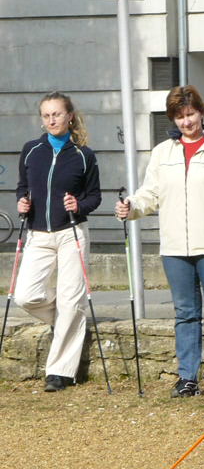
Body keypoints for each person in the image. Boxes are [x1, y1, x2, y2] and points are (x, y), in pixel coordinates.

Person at [114, 85, 204, 398]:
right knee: (185, 313)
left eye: (190, 114)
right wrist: (131, 206)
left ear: (201, 112)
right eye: (179, 117)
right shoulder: (162, 153)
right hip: (175, 246)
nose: (186, 122)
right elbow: (150, 194)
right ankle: (187, 378)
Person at [14, 91, 101, 392]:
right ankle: (69, 319)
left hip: (71, 232)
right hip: (38, 234)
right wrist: (22, 202)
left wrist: (79, 205)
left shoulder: (84, 155)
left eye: (57, 114)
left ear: (69, 116)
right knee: (26, 295)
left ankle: (59, 373)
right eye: (47, 115)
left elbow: (94, 197)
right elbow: (22, 187)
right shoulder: (31, 150)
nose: (52, 120)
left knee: (70, 299)